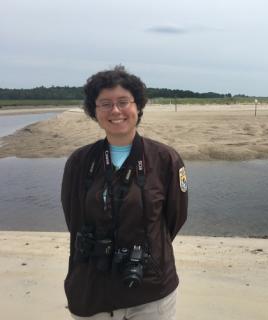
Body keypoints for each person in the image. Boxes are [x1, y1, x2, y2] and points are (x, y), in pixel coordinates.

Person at [61, 66, 188, 319]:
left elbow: (175, 218)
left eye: (123, 102)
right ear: (94, 111)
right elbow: (73, 219)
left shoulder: (165, 159)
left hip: (150, 289)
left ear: (138, 106)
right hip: (91, 288)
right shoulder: (80, 161)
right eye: (105, 104)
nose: (115, 111)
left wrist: (144, 249)